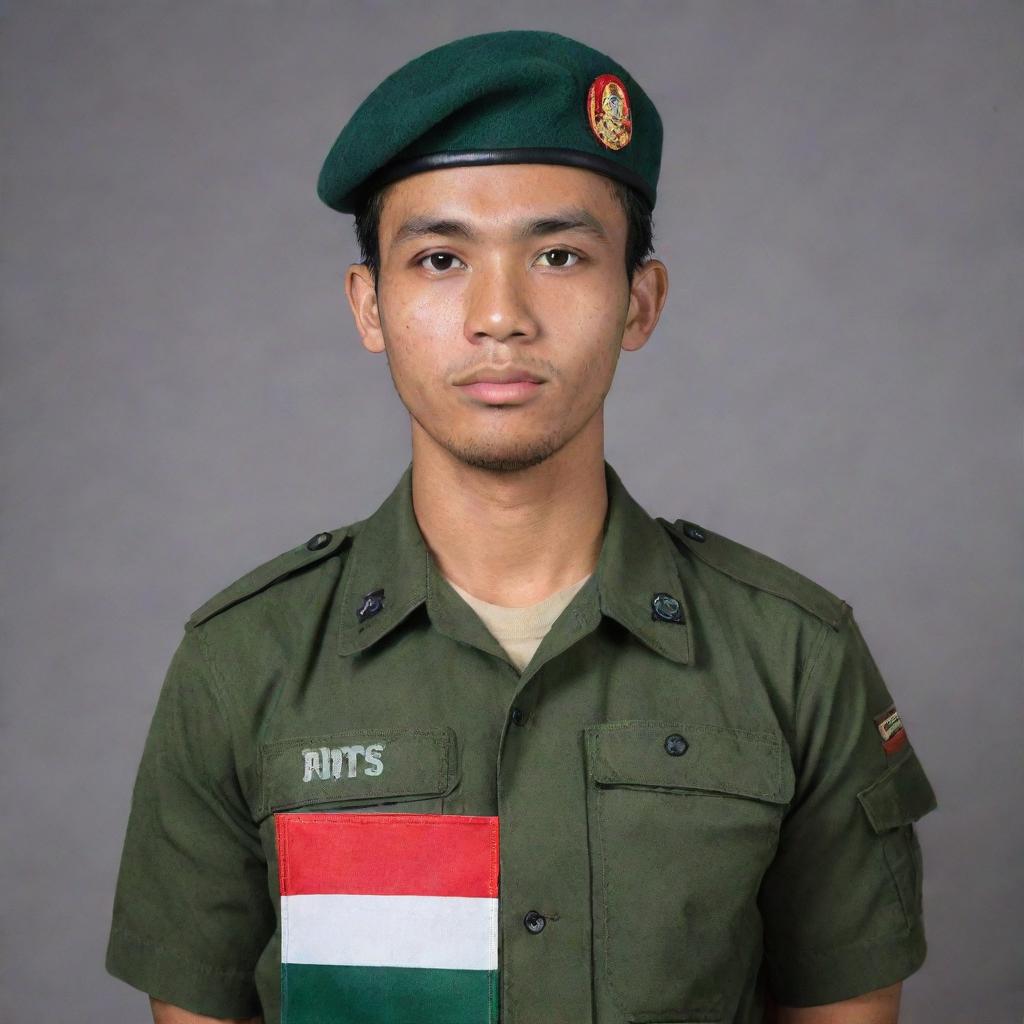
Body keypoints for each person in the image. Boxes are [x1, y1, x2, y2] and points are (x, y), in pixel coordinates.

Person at [106, 29, 938, 1024]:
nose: (500, 314)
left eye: (557, 254)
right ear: (370, 304)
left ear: (639, 300)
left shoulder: (795, 657)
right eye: (441, 257)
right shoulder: (241, 663)